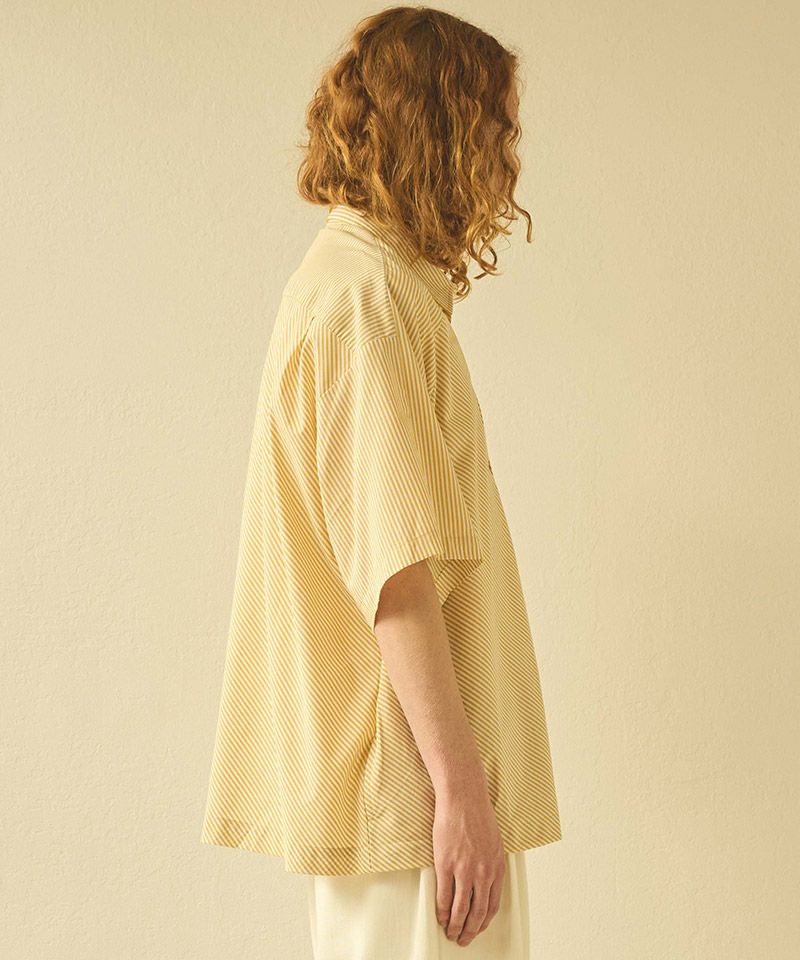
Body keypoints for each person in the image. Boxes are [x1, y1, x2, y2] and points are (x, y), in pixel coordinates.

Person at [200, 6, 562, 957]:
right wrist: (461, 792)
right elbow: (395, 573)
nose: (504, 158)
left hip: (418, 796)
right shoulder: (365, 301)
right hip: (416, 800)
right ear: (439, 129)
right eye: (493, 128)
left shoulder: (369, 286)